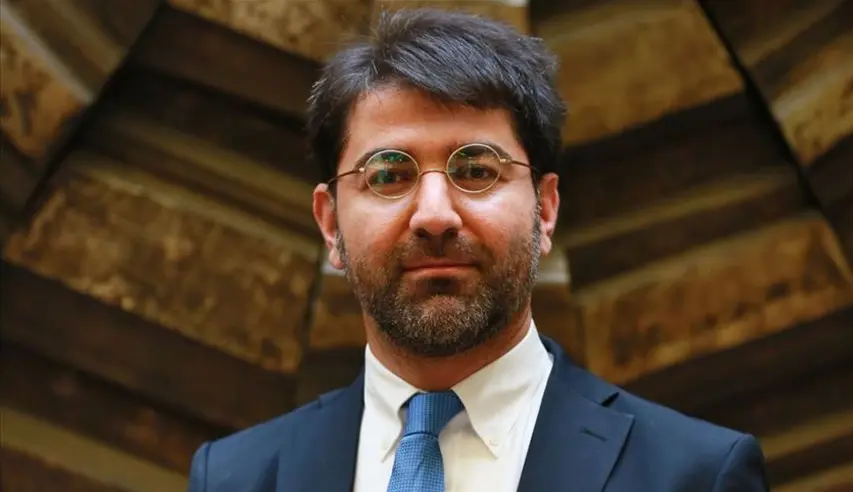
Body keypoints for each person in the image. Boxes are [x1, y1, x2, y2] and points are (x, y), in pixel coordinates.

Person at [187, 8, 769, 492]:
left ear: (545, 209)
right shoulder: (236, 478)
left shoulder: (694, 475)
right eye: (388, 174)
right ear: (330, 222)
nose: (435, 215)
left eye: (475, 170)